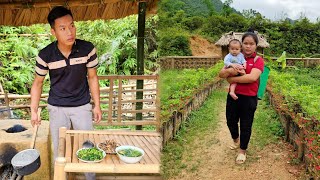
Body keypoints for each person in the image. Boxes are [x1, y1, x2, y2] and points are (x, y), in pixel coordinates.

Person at [30, 6, 102, 179]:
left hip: (82, 106)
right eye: (62, 28)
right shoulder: (45, 54)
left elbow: (92, 78)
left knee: (87, 146)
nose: (69, 32)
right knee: (60, 149)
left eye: (72, 26)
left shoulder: (87, 49)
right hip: (57, 108)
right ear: (53, 32)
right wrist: (33, 110)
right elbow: (37, 83)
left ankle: (90, 178)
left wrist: (97, 105)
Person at [218, 31, 264, 164]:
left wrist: (231, 77)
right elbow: (221, 73)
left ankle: (242, 151)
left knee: (246, 125)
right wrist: (229, 71)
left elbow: (252, 77)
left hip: (249, 98)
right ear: (241, 44)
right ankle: (236, 139)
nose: (248, 46)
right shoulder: (235, 56)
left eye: (251, 44)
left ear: (256, 45)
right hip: (233, 97)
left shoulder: (258, 60)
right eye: (245, 43)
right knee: (230, 121)